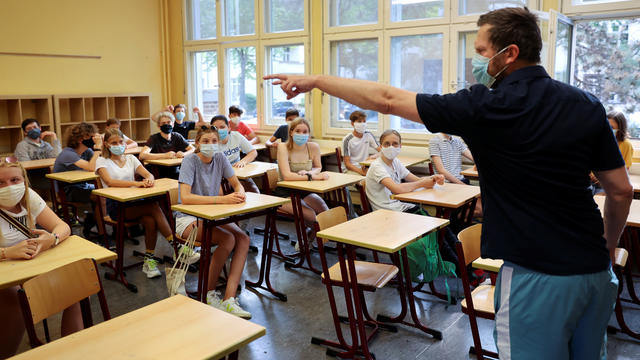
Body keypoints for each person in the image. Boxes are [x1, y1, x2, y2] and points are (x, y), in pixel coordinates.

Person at [264, 7, 632, 359]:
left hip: (537, 276)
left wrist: (314, 81)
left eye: (481, 51)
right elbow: (619, 190)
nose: (476, 62)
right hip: (595, 273)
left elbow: (388, 100)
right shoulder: (585, 103)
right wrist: (607, 248)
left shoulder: (486, 106)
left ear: (509, 54)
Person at [96, 128, 198, 278]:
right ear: (106, 144)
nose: (118, 145)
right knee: (153, 207)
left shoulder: (130, 158)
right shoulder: (102, 160)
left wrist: (149, 179)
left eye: (120, 142)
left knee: (150, 220)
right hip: (117, 206)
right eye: (114, 143)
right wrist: (137, 184)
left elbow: (147, 173)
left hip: (135, 203)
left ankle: (149, 262)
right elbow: (109, 181)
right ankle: (177, 248)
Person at [0, 160, 75, 358]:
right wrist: (6, 253)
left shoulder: (28, 196)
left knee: (74, 287)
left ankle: (74, 350)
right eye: (1, 183)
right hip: (4, 275)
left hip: (29, 268)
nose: (9, 187)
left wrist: (52, 239)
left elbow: (62, 226)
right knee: (18, 301)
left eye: (15, 179)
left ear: (24, 181)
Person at [177, 126, 251, 318]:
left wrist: (240, 192)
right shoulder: (190, 161)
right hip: (189, 218)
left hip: (212, 215)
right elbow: (185, 198)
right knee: (228, 239)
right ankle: (208, 294)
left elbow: (236, 183)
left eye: (214, 141)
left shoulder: (219, 158)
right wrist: (222, 200)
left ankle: (229, 298)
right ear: (197, 143)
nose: (210, 145)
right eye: (206, 141)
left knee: (243, 239)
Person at [274, 118, 329, 249]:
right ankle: (307, 241)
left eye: (305, 131)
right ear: (291, 132)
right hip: (284, 193)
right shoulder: (283, 147)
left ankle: (308, 238)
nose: (301, 134)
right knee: (311, 215)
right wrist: (312, 177)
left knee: (325, 213)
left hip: (304, 190)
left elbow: (318, 167)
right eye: (298, 131)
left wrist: (310, 172)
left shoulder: (313, 147)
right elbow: (287, 176)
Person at [366, 130, 443, 213]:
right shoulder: (377, 166)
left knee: (423, 213)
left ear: (400, 146)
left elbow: (416, 180)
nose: (391, 147)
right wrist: (423, 183)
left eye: (395, 143)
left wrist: (433, 178)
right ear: (381, 147)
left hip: (398, 206)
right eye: (387, 144)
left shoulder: (395, 162)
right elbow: (396, 189)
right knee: (423, 215)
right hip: (387, 211)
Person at [53, 123, 101, 237]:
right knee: (100, 196)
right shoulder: (68, 153)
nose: (94, 139)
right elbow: (91, 167)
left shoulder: (86, 151)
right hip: (66, 191)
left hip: (82, 186)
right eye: (91, 137)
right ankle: (101, 231)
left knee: (105, 192)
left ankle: (93, 221)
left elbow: (100, 163)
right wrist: (98, 149)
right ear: (80, 139)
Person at [211, 115, 259, 193]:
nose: (219, 130)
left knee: (254, 192)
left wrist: (243, 162)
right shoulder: (209, 142)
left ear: (229, 127)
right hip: (219, 175)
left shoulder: (236, 136)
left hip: (238, 172)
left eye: (222, 127)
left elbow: (253, 152)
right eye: (216, 128)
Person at [139, 111, 195, 179]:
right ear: (159, 126)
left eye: (169, 122)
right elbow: (142, 155)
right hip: (159, 172)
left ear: (173, 124)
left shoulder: (177, 136)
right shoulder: (154, 138)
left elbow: (192, 149)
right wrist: (165, 155)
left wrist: (184, 154)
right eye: (163, 123)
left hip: (175, 170)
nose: (166, 125)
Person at [341, 110, 380, 176]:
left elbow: (383, 151)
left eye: (364, 121)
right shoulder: (347, 139)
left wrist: (373, 156)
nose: (362, 124)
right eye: (359, 121)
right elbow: (347, 164)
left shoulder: (368, 135)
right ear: (352, 123)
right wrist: (361, 172)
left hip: (365, 167)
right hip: (351, 169)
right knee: (365, 182)